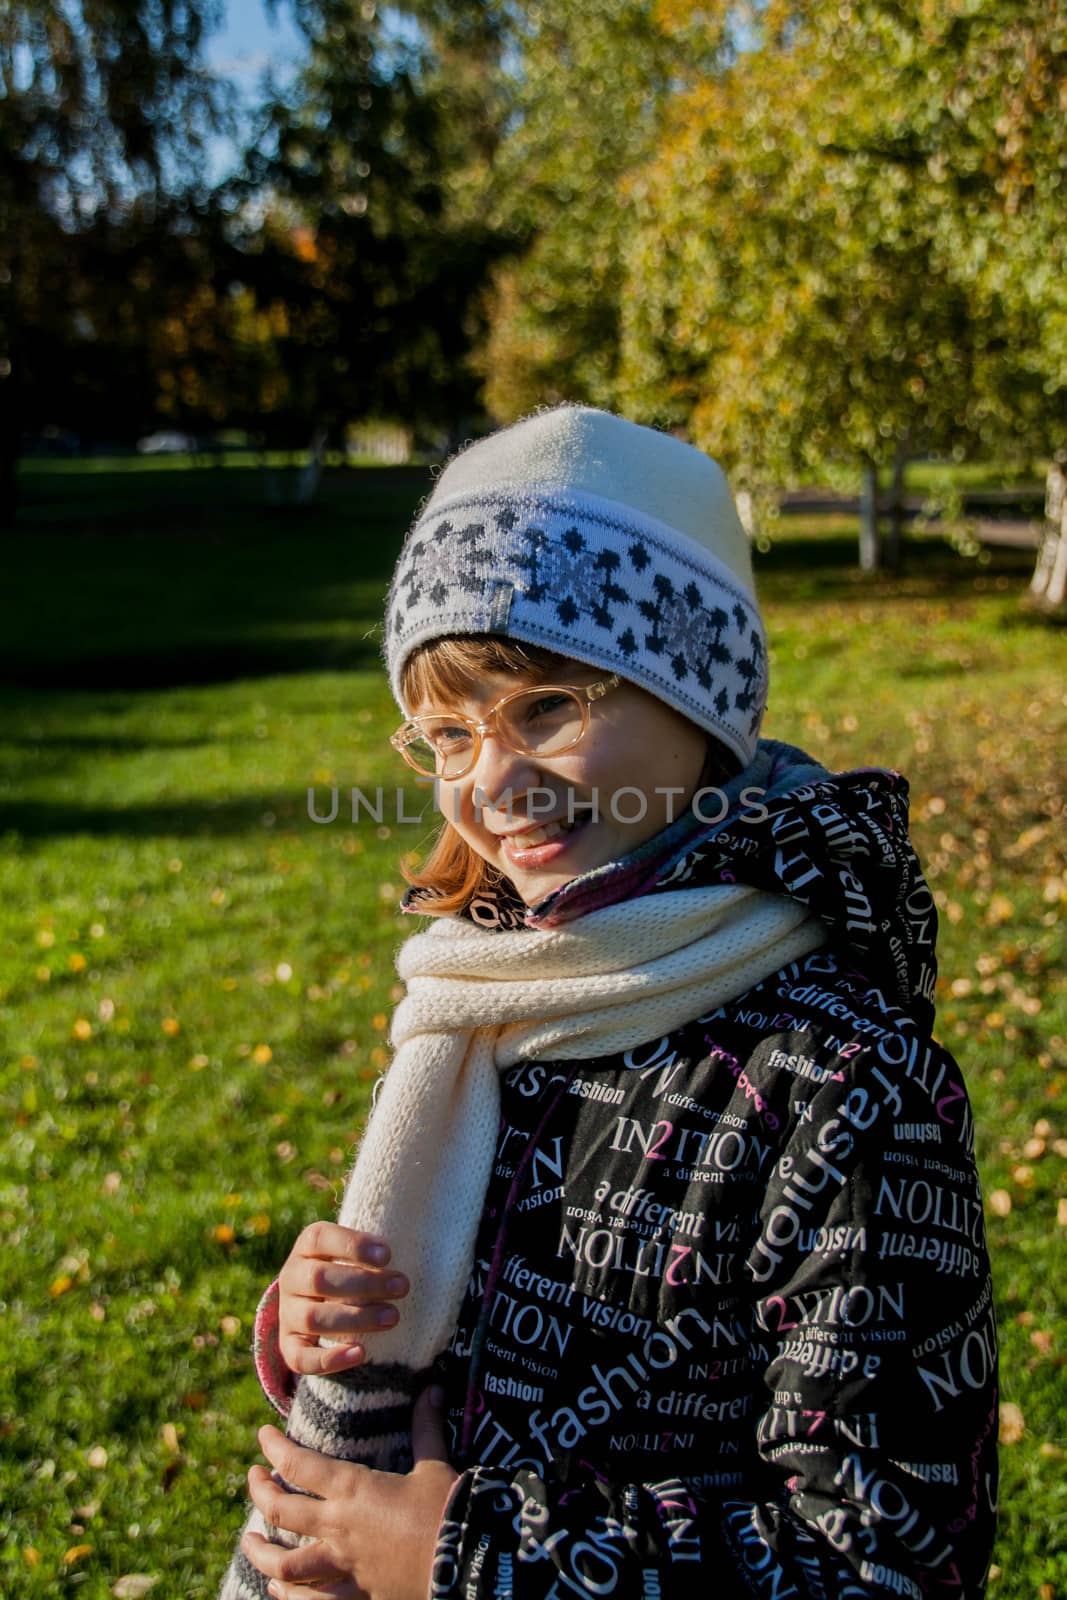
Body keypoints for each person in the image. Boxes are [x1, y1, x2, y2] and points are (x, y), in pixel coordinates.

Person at [221, 406, 998, 1600]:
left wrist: (463, 1557)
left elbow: (888, 1552)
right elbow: (448, 1309)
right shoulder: (486, 992)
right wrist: (329, 1332)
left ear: (695, 703)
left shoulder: (842, 1080)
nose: (491, 778)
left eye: (546, 707)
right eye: (445, 732)